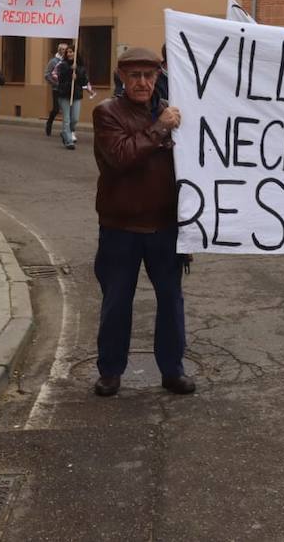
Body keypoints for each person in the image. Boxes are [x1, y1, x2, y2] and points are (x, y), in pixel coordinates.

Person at [90, 46, 193, 398]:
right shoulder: (107, 113)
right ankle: (110, 371)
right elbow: (120, 157)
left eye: (149, 76)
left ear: (158, 77)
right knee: (117, 300)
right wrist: (159, 130)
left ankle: (172, 369)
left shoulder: (172, 113)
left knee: (171, 300)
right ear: (121, 77)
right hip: (121, 227)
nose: (143, 82)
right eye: (135, 75)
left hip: (165, 227)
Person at [54, 43, 92, 150]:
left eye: (72, 51)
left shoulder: (80, 67)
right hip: (64, 94)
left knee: (74, 119)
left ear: (75, 53)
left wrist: (77, 76)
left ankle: (66, 132)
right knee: (66, 119)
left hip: (76, 95)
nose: (70, 54)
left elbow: (84, 81)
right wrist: (70, 71)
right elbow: (60, 79)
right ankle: (68, 141)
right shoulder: (62, 65)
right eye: (68, 52)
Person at [44, 43, 68, 136]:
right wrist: (56, 83)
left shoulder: (68, 61)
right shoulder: (53, 61)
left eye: (66, 50)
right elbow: (47, 74)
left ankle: (66, 131)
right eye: (62, 49)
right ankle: (49, 123)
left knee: (66, 110)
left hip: (66, 89)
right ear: (59, 50)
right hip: (56, 89)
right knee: (56, 109)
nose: (64, 51)